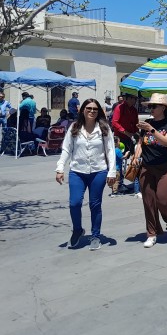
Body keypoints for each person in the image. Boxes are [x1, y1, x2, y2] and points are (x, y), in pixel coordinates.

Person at [55, 98, 116, 251]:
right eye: (88, 108)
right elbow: (66, 149)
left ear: (99, 112)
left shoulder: (104, 128)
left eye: (95, 109)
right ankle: (77, 230)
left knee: (95, 204)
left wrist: (112, 171)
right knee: (74, 203)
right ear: (82, 110)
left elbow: (110, 150)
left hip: (98, 171)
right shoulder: (74, 127)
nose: (92, 111)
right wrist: (60, 168)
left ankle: (95, 235)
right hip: (77, 171)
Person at [133, 93, 167, 249]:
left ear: (163, 108)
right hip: (147, 166)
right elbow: (141, 142)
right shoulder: (147, 123)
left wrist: (151, 129)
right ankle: (152, 233)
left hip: (166, 167)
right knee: (148, 201)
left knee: (163, 199)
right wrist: (136, 154)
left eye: (154, 106)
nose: (150, 109)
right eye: (149, 106)